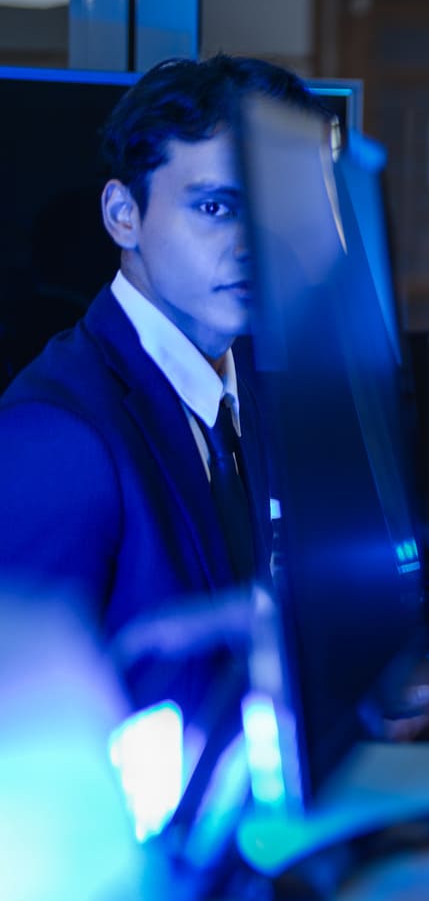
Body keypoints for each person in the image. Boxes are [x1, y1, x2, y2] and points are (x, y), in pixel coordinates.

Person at [0, 55, 334, 712]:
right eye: (215, 206)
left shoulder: (268, 394)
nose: (251, 245)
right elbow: (23, 736)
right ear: (124, 215)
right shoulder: (56, 436)